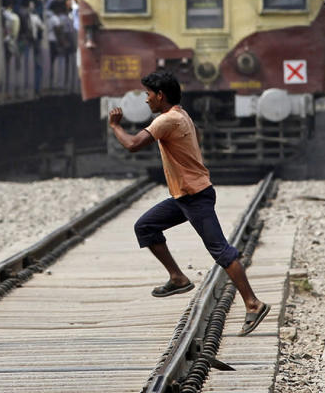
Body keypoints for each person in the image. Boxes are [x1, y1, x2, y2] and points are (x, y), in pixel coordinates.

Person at [109, 70, 270, 336]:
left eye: (148, 94)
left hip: (195, 196)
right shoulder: (180, 114)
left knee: (221, 251)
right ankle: (178, 278)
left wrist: (115, 125)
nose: (146, 100)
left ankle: (253, 303)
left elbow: (134, 144)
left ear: (161, 95)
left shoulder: (168, 119)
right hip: (185, 195)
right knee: (146, 226)